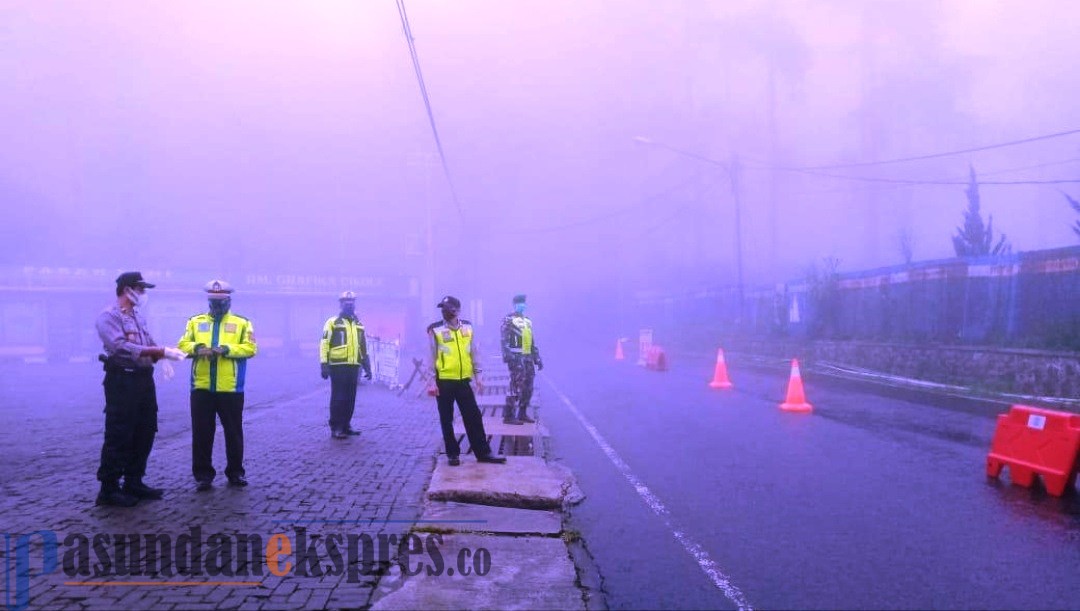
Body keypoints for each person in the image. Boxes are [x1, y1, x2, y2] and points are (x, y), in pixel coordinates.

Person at [94, 272, 173, 507]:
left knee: (145, 430)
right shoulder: (108, 317)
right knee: (120, 433)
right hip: (123, 381)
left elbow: (148, 343)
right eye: (140, 289)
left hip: (143, 380)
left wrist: (165, 355)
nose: (143, 294)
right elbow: (119, 347)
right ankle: (108, 489)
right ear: (127, 290)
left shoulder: (138, 317)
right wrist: (157, 352)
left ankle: (133, 481)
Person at [177, 280, 257, 491]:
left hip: (230, 387)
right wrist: (198, 348)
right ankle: (203, 475)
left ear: (229, 301)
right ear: (209, 301)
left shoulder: (242, 323)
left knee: (233, 432)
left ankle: (235, 472)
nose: (217, 306)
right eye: (214, 302)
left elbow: (250, 348)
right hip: (201, 387)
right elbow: (182, 345)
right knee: (202, 433)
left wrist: (227, 349)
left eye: (221, 302)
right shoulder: (195, 321)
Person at [428, 295, 506, 466]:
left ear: (457, 310)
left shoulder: (468, 328)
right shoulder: (435, 330)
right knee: (446, 419)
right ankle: (452, 454)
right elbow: (431, 357)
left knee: (473, 416)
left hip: (464, 381)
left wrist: (478, 376)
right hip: (444, 381)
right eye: (442, 309)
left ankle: (483, 452)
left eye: (447, 308)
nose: (444, 312)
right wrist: (432, 381)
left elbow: (474, 353)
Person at [320, 290, 372, 439]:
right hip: (338, 365)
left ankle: (346, 425)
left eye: (351, 302)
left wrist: (366, 364)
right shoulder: (332, 322)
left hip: (354, 366)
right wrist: (324, 364)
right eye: (346, 303)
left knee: (350, 397)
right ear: (341, 304)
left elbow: (363, 346)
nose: (349, 305)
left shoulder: (359, 324)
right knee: (338, 397)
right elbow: (324, 344)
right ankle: (336, 427)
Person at [500, 293, 544, 425]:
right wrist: (509, 357)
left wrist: (537, 357)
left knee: (528, 386)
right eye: (520, 303)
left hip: (528, 357)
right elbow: (504, 340)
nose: (522, 305)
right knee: (515, 385)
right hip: (516, 357)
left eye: (524, 302)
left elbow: (531, 341)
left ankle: (522, 412)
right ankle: (509, 415)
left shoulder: (527, 321)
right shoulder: (508, 319)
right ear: (514, 304)